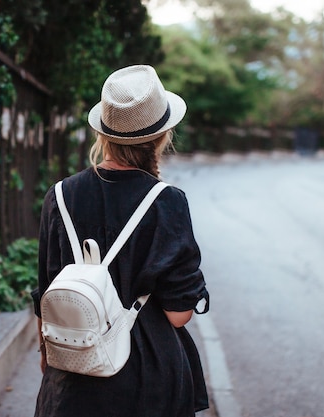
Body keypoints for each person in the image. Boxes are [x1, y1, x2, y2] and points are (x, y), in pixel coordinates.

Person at [32, 64, 210, 417]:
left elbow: (45, 292)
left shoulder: (61, 195)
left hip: (71, 370)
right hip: (147, 379)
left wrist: (47, 357)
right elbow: (178, 315)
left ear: (103, 135)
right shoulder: (167, 201)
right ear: (162, 136)